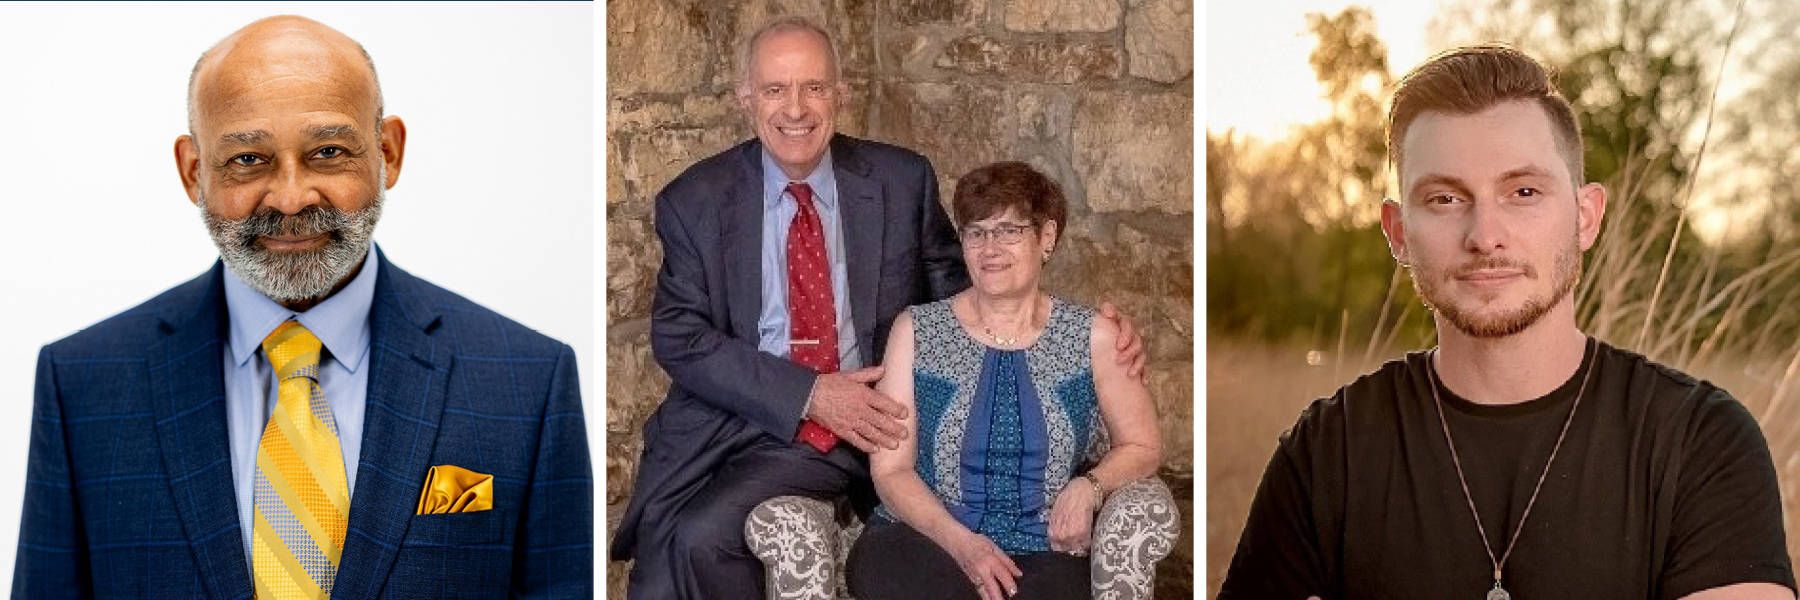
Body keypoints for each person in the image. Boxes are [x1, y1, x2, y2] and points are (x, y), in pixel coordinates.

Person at [14, 16, 591, 599]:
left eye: (328, 151)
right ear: (194, 172)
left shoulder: (529, 384)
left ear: (387, 153)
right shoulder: (82, 385)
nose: (291, 198)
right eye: (247, 160)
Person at [1220, 45, 1795, 599]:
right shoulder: (1326, 454)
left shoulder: (1701, 441)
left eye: (1523, 191)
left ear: (1586, 217)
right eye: (1445, 199)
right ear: (1398, 232)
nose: (1484, 235)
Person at [608, 15, 1145, 599]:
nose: (796, 109)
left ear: (841, 94)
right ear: (745, 97)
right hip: (731, 415)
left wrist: (1078, 332)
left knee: (701, 536)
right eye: (774, 89)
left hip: (862, 423)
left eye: (814, 87)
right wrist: (810, 393)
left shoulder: (899, 178)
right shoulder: (694, 200)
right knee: (660, 567)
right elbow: (680, 336)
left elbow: (962, 289)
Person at [845, 162, 1162, 600]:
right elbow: (891, 470)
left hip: (1046, 546)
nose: (989, 247)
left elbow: (1143, 446)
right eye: (976, 232)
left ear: (1046, 238)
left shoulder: (1095, 337)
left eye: (1009, 230)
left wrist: (1089, 486)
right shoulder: (916, 331)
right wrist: (962, 543)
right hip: (925, 538)